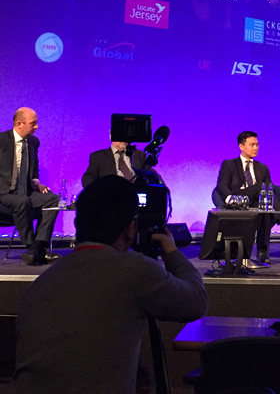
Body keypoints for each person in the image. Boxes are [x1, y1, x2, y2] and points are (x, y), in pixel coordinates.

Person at [13, 175, 209, 394]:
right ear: (130, 229)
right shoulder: (134, 270)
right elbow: (196, 302)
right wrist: (172, 253)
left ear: (77, 224)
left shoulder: (41, 285)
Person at [216, 131, 280, 263]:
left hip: (257, 203)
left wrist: (266, 199)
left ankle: (262, 252)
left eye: (257, 145)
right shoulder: (229, 164)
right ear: (241, 146)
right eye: (252, 145)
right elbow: (222, 185)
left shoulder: (262, 168)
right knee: (261, 187)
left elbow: (270, 190)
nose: (256, 148)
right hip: (238, 200)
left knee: (265, 209)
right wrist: (230, 198)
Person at [0, 107, 59, 266]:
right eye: (33, 123)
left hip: (25, 191)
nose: (36, 127)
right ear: (19, 124)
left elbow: (34, 167)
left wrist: (36, 182)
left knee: (53, 200)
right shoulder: (2, 140)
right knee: (22, 202)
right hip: (4, 193)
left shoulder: (33, 142)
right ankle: (32, 248)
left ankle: (40, 246)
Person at [82, 138, 146, 188]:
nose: (123, 138)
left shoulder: (140, 155)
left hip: (135, 195)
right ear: (111, 135)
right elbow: (88, 179)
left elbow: (149, 175)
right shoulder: (98, 156)